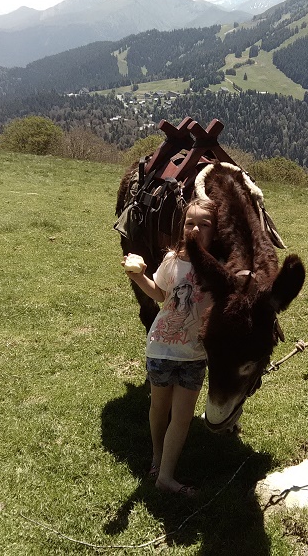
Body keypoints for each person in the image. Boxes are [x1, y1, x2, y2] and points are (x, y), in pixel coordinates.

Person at [121, 198, 217, 497]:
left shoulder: (219, 269)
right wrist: (138, 275)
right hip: (161, 349)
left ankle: (165, 476)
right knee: (159, 408)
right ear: (183, 227)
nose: (196, 229)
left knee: (183, 417)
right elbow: (160, 294)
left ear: (216, 231)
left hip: (194, 354)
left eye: (204, 224)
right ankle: (157, 458)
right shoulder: (172, 260)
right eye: (190, 223)